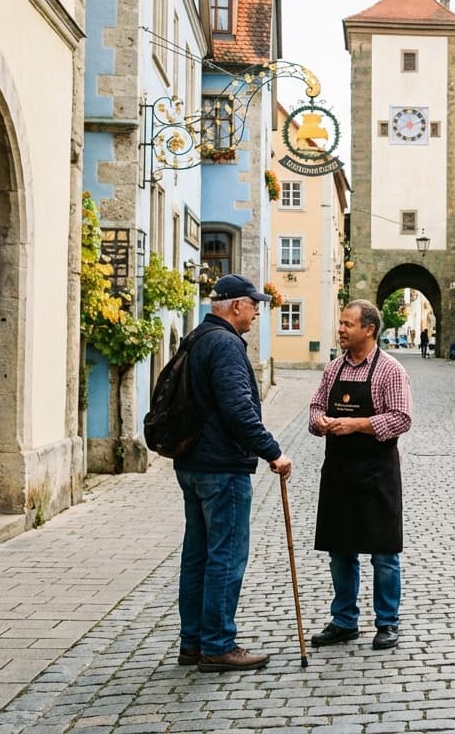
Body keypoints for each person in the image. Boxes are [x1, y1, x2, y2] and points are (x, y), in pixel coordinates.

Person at [175, 273, 293, 673]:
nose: (258, 310)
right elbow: (238, 410)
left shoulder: (197, 337)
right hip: (221, 467)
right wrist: (273, 453)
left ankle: (192, 643)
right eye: (254, 303)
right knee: (225, 557)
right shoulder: (225, 345)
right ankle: (218, 645)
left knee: (198, 556)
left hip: (193, 462)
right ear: (236, 305)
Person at [308, 299, 413, 652]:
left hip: (377, 473)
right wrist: (319, 422)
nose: (341, 329)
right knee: (340, 550)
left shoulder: (390, 370)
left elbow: (401, 418)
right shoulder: (333, 369)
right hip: (338, 471)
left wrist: (357, 424)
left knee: (384, 554)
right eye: (340, 323)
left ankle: (387, 622)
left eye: (347, 324)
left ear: (369, 330)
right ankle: (344, 621)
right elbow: (316, 405)